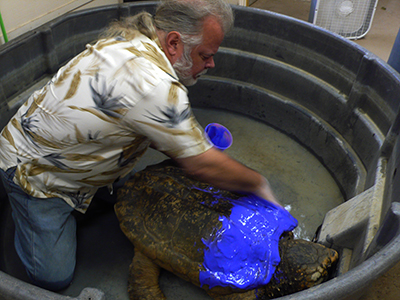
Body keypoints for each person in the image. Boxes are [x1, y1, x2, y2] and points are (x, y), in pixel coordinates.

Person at [0, 0, 280, 292]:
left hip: (58, 145)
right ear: (174, 42)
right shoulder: (155, 86)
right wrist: (258, 184)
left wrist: (184, 142)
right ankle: (24, 214)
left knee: (130, 192)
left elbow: (135, 117)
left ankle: (85, 198)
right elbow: (202, 164)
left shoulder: (132, 37)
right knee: (53, 277)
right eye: (205, 55)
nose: (211, 64)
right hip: (33, 174)